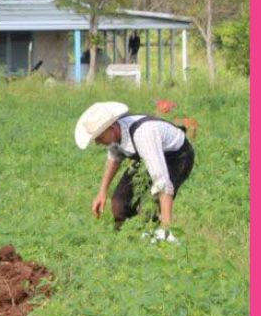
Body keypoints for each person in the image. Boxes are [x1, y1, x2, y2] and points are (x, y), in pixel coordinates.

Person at [75, 102, 194, 243]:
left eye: (99, 138)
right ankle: (126, 242)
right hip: (148, 154)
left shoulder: (143, 134)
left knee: (150, 206)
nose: (97, 143)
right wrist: (102, 192)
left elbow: (162, 182)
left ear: (112, 128)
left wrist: (166, 228)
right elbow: (115, 157)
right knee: (119, 202)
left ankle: (161, 239)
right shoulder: (117, 134)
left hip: (177, 157)